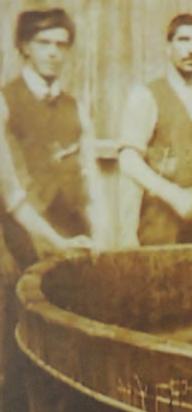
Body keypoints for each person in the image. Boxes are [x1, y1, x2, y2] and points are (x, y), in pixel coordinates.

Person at [0, 8, 95, 411]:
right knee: (18, 354)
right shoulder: (5, 103)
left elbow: (90, 183)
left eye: (61, 44)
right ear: (24, 47)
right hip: (17, 247)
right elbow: (13, 195)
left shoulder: (76, 107)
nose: (54, 53)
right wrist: (56, 241)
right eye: (44, 43)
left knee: (67, 357)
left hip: (68, 246)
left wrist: (100, 239)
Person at [118, 13, 192, 246]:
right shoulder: (146, 95)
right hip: (159, 224)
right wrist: (173, 195)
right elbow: (128, 159)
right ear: (168, 47)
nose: (191, 49)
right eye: (183, 40)